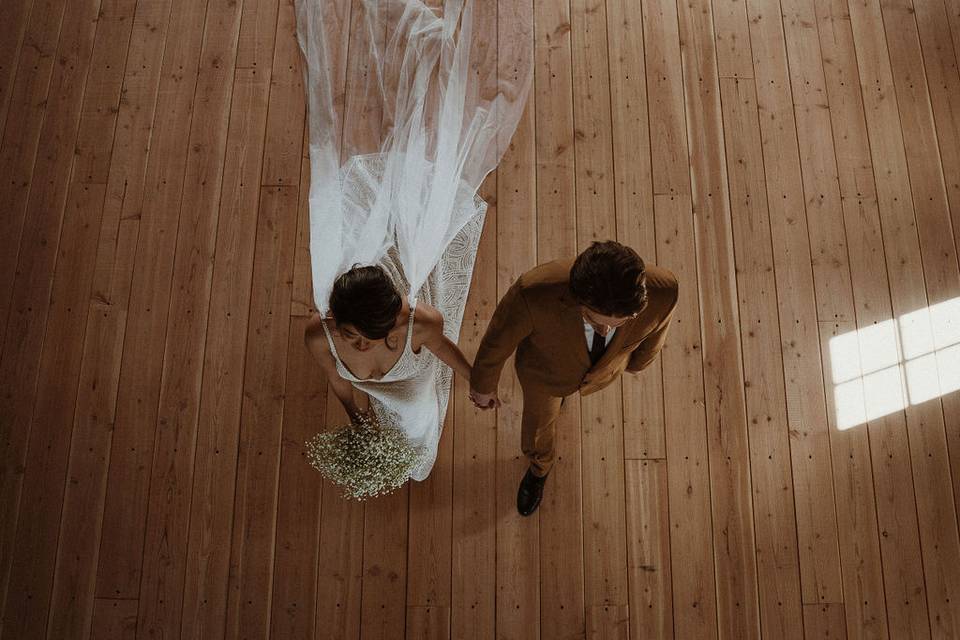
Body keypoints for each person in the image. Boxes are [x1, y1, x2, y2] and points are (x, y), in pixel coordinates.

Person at [296, 0, 532, 483]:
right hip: (380, 406)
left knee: (421, 425)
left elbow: (444, 352)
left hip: (418, 397)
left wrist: (478, 386)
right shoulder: (319, 335)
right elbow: (339, 381)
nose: (359, 347)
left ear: (400, 317)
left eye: (369, 338)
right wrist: (358, 422)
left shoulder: (420, 322)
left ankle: (433, 57)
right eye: (351, 337)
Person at [470, 241, 678, 515]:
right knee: (538, 426)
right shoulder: (533, 292)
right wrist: (482, 387)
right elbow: (497, 341)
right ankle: (539, 468)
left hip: (602, 371)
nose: (604, 331)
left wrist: (639, 363)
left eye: (619, 322)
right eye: (594, 320)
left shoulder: (665, 291)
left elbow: (656, 333)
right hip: (543, 375)